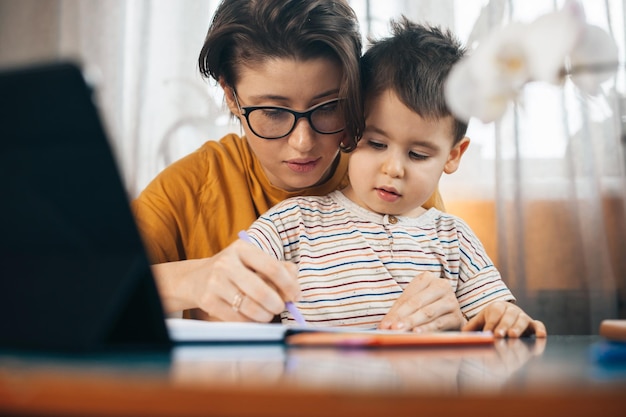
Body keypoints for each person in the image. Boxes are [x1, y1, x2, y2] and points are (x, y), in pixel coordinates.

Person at [132, 0, 445, 323]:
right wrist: (189, 280)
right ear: (230, 95)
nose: (303, 143)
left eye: (327, 107)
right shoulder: (192, 187)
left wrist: (454, 315)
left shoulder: (391, 180)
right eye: (273, 112)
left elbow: (459, 300)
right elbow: (87, 288)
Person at [245, 17, 547, 337]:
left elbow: (498, 322)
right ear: (349, 133)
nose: (394, 169)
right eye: (376, 144)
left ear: (453, 156)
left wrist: (507, 320)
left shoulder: (453, 238)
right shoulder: (292, 223)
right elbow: (236, 270)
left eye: (417, 155)